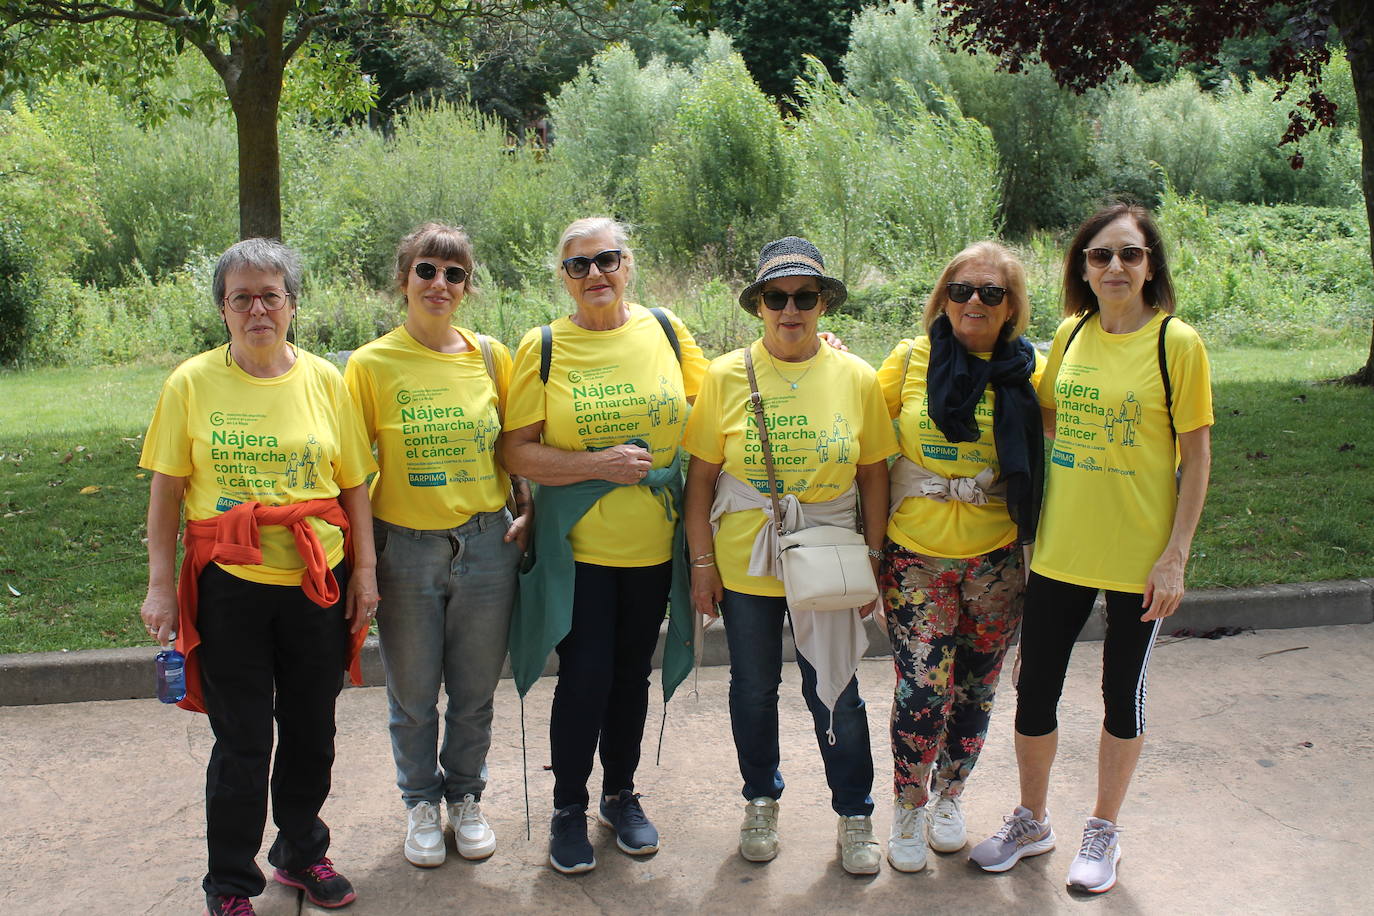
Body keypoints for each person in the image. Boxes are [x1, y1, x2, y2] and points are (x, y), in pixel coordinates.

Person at [969, 203, 1213, 894]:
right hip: (1062, 552)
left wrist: (1176, 556)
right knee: (1034, 689)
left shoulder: (1177, 344)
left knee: (1119, 697)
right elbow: (1051, 412)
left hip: (1139, 559)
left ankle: (1103, 830)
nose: (1114, 266)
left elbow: (1196, 457)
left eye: (1129, 255)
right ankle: (1032, 819)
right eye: (1100, 255)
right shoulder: (1071, 335)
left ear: (1150, 267)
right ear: (1082, 266)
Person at [138, 239, 378, 916]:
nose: (257, 309)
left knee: (312, 729)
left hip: (315, 583)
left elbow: (355, 486)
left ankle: (301, 852)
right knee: (242, 740)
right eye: (241, 297)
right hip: (229, 588)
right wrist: (160, 585)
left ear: (293, 305)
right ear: (223, 310)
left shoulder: (328, 381)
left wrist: (365, 573)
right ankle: (230, 882)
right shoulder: (190, 383)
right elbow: (165, 492)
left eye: (270, 295)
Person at [683, 236, 897, 875]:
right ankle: (759, 797)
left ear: (824, 303)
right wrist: (701, 564)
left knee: (836, 689)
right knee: (752, 688)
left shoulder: (855, 376)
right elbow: (700, 480)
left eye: (805, 296)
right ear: (760, 306)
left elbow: (875, 474)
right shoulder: (725, 376)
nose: (791, 308)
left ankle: (855, 813)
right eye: (777, 297)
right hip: (745, 558)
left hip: (827, 550)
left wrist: (875, 560)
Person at [500, 217, 708, 875]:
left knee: (629, 676)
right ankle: (568, 808)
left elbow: (718, 407)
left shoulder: (669, 332)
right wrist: (597, 464)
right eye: (578, 265)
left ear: (629, 264)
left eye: (607, 260)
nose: (595, 275)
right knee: (585, 678)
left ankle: (621, 795)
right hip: (579, 552)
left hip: (654, 548)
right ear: (563, 278)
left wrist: (816, 349)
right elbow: (516, 448)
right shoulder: (543, 348)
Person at [343, 224, 532, 869]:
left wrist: (526, 508)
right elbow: (350, 471)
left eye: (454, 274)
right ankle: (421, 803)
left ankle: (467, 798)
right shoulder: (370, 365)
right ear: (404, 279)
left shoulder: (490, 356)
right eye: (427, 271)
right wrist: (364, 562)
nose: (440, 285)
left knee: (476, 691)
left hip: (486, 545)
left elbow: (515, 445)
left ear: (467, 286)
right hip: (407, 549)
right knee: (414, 695)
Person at [874, 241, 1044, 873]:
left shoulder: (1028, 370)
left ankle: (951, 795)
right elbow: (859, 425)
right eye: (962, 290)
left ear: (1011, 308)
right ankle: (909, 806)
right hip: (916, 559)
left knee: (976, 688)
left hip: (996, 559)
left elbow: (1076, 420)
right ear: (942, 299)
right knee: (922, 689)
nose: (974, 302)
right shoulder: (908, 360)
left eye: (991, 293)